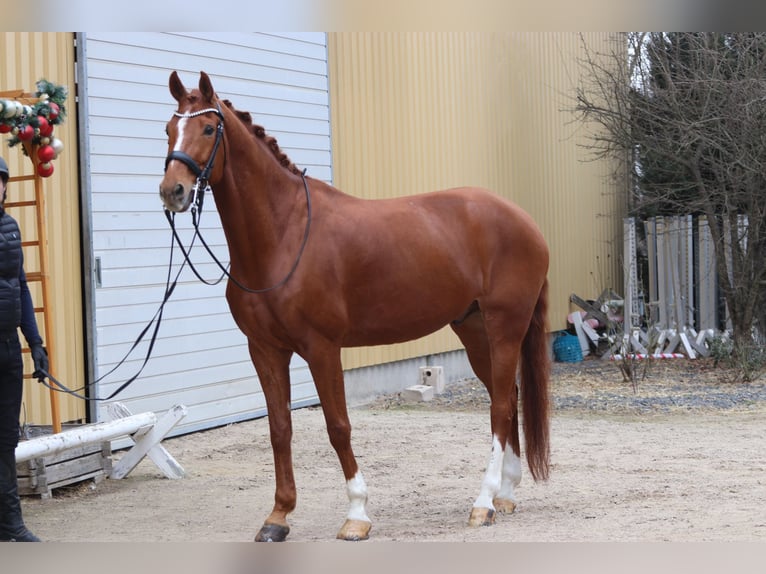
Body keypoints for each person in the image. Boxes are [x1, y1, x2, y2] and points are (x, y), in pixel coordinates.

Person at [0, 155, 48, 542]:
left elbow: (22, 287)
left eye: (0, 181)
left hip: (8, 349)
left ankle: (10, 525)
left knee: (6, 438)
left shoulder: (11, 228)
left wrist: (36, 343)